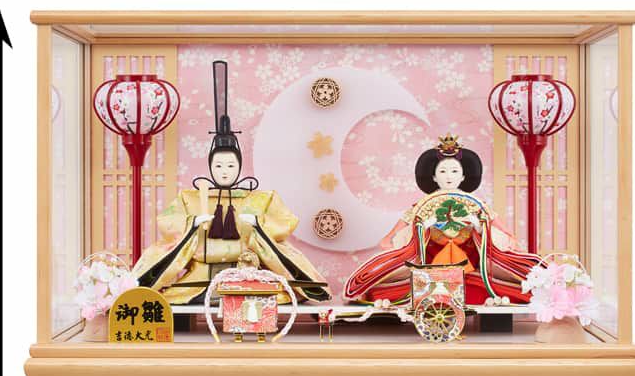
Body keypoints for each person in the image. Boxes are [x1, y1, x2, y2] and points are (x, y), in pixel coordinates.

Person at [133, 60, 330, 304]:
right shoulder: (190, 198)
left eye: (230, 166)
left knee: (267, 297)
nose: (224, 172)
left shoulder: (261, 199)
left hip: (247, 274)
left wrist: (258, 225)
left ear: (239, 166)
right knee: (173, 299)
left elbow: (282, 226)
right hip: (199, 278)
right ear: (210, 166)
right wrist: (192, 223)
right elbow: (169, 228)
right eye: (218, 166)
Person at [343, 134, 539, 305]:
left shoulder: (478, 205)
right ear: (434, 177)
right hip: (429, 261)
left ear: (463, 176)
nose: (449, 176)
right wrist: (421, 228)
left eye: (454, 171)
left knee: (492, 282)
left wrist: (480, 227)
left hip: (470, 262)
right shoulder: (421, 205)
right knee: (391, 285)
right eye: (443, 171)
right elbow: (392, 237)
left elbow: (506, 236)